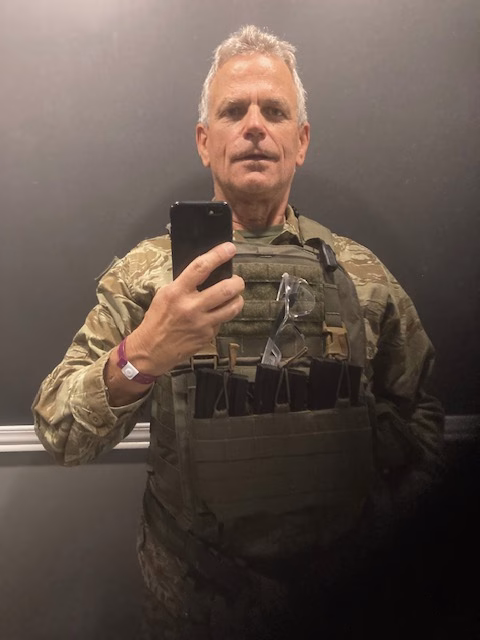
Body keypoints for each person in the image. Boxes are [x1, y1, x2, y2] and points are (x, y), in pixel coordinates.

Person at [33, 25, 444, 639]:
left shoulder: (361, 276)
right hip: (193, 609)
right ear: (205, 142)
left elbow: (423, 419)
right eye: (233, 111)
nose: (255, 126)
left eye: (274, 111)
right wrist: (141, 355)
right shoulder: (149, 278)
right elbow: (59, 431)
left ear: (301, 141)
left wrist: (377, 522)